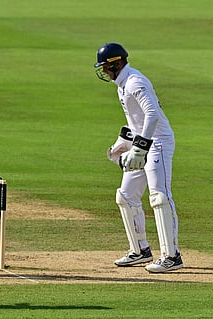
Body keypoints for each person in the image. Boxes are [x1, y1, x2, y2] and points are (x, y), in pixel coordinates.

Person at [94, 43, 183, 273]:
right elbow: (138, 119)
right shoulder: (122, 85)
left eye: (106, 67)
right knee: (126, 196)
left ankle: (172, 256)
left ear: (117, 64)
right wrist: (125, 140)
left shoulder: (135, 81)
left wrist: (140, 149)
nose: (104, 71)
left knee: (160, 197)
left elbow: (152, 114)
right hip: (142, 142)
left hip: (159, 143)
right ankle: (140, 250)